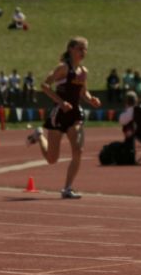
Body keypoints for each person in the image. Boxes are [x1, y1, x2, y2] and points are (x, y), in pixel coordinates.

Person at [26, 37, 102, 199]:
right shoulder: (63, 68)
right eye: (80, 48)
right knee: (52, 159)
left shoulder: (84, 71)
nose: (83, 52)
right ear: (71, 50)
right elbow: (45, 86)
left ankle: (67, 188)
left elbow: (83, 92)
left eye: (85, 49)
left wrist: (91, 99)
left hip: (75, 114)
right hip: (59, 114)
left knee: (78, 150)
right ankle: (39, 135)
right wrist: (60, 102)